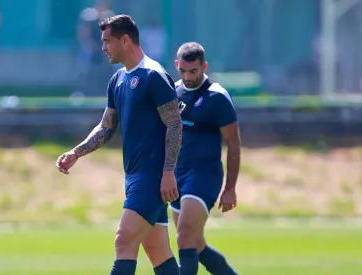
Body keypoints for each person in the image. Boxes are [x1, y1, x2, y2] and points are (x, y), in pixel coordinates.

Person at [56, 15, 182, 275]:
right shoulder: (118, 80)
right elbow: (106, 127)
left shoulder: (153, 76)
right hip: (134, 177)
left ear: (125, 40)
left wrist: (169, 172)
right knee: (157, 250)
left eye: (106, 41)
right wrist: (76, 152)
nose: (102, 47)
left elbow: (174, 124)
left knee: (124, 240)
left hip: (153, 177)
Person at [142, 42, 240, 275]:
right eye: (183, 70)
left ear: (204, 66)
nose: (188, 76)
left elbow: (234, 143)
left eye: (194, 71)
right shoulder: (172, 92)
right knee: (195, 243)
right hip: (178, 175)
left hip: (204, 174)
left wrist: (231, 188)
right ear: (176, 65)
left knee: (185, 234)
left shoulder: (217, 97)